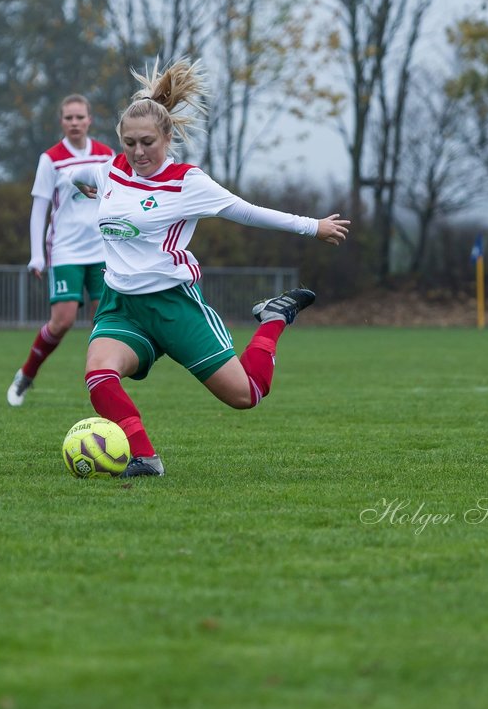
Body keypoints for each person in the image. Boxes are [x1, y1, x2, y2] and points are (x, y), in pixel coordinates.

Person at [69, 60, 350, 477]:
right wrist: (81, 182)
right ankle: (145, 458)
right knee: (99, 373)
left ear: (167, 137)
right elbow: (81, 173)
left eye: (147, 142)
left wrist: (314, 227)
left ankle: (273, 318)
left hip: (175, 306)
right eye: (129, 143)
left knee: (246, 395)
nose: (139, 152)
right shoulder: (112, 170)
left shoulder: (187, 182)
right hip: (121, 305)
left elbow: (249, 213)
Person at [7, 94, 117, 407]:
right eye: (69, 118)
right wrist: (37, 254)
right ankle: (26, 375)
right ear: (62, 121)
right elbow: (39, 208)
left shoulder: (106, 154)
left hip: (102, 250)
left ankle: (103, 385)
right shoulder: (51, 158)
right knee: (63, 321)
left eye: (80, 117)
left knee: (105, 322)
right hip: (66, 250)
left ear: (90, 119)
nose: (74, 123)